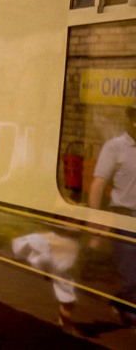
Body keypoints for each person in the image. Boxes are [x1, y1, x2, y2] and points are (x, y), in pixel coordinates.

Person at [88, 100, 136, 327]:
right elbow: (98, 184)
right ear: (132, 119)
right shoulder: (114, 147)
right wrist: (95, 219)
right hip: (124, 216)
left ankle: (120, 303)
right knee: (131, 272)